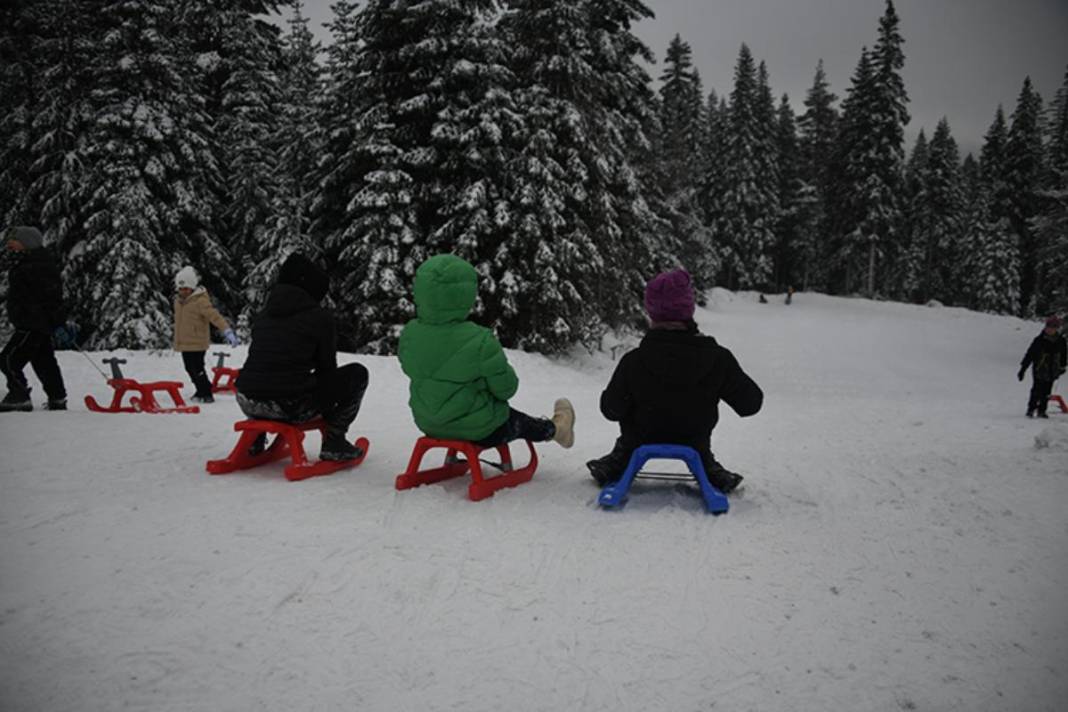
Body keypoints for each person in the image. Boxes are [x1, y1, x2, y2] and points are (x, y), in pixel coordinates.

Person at [586, 269, 763, 493]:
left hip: (640, 438)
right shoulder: (718, 358)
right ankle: (706, 465)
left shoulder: (634, 361)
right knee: (698, 439)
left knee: (632, 437)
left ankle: (620, 459)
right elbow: (751, 404)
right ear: (688, 309)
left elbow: (611, 410)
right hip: (694, 439)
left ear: (652, 312)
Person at [397, 254, 574, 449]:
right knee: (516, 421)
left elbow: (412, 369)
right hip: (480, 431)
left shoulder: (410, 334)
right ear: (465, 295)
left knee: (480, 409)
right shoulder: (479, 340)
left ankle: (555, 429)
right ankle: (557, 430)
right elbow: (507, 389)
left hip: (428, 424)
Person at [235, 253, 368, 461]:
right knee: (358, 374)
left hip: (246, 399)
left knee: (266, 373)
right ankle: (335, 439)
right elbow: (327, 371)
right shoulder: (319, 318)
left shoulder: (264, 314)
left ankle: (256, 438)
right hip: (288, 405)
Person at [0, 226, 70, 412]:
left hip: (32, 323)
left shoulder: (35, 266)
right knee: (44, 361)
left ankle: (19, 395)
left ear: (27, 243)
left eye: (14, 240)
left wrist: (55, 320)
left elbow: (51, 296)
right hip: (37, 322)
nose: (10, 244)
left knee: (8, 359)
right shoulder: (32, 262)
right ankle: (57, 398)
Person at [173, 265, 237, 404]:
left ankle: (206, 393)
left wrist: (226, 330)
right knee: (189, 368)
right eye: (181, 288)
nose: (183, 291)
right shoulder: (178, 302)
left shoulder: (200, 301)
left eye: (186, 288)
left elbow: (214, 316)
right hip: (184, 342)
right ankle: (201, 389)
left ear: (192, 287)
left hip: (197, 342)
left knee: (197, 368)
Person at [1017, 315, 1067, 418]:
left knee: (1047, 391)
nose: (1050, 330)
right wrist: (1023, 369)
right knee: (1036, 389)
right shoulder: (1039, 340)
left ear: (1057, 328)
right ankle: (1031, 409)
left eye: (1053, 328)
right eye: (1049, 327)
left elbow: (1064, 355)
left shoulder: (1061, 341)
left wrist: (1062, 366)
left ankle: (1042, 410)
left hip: (1052, 369)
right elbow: (1030, 354)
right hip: (1039, 368)